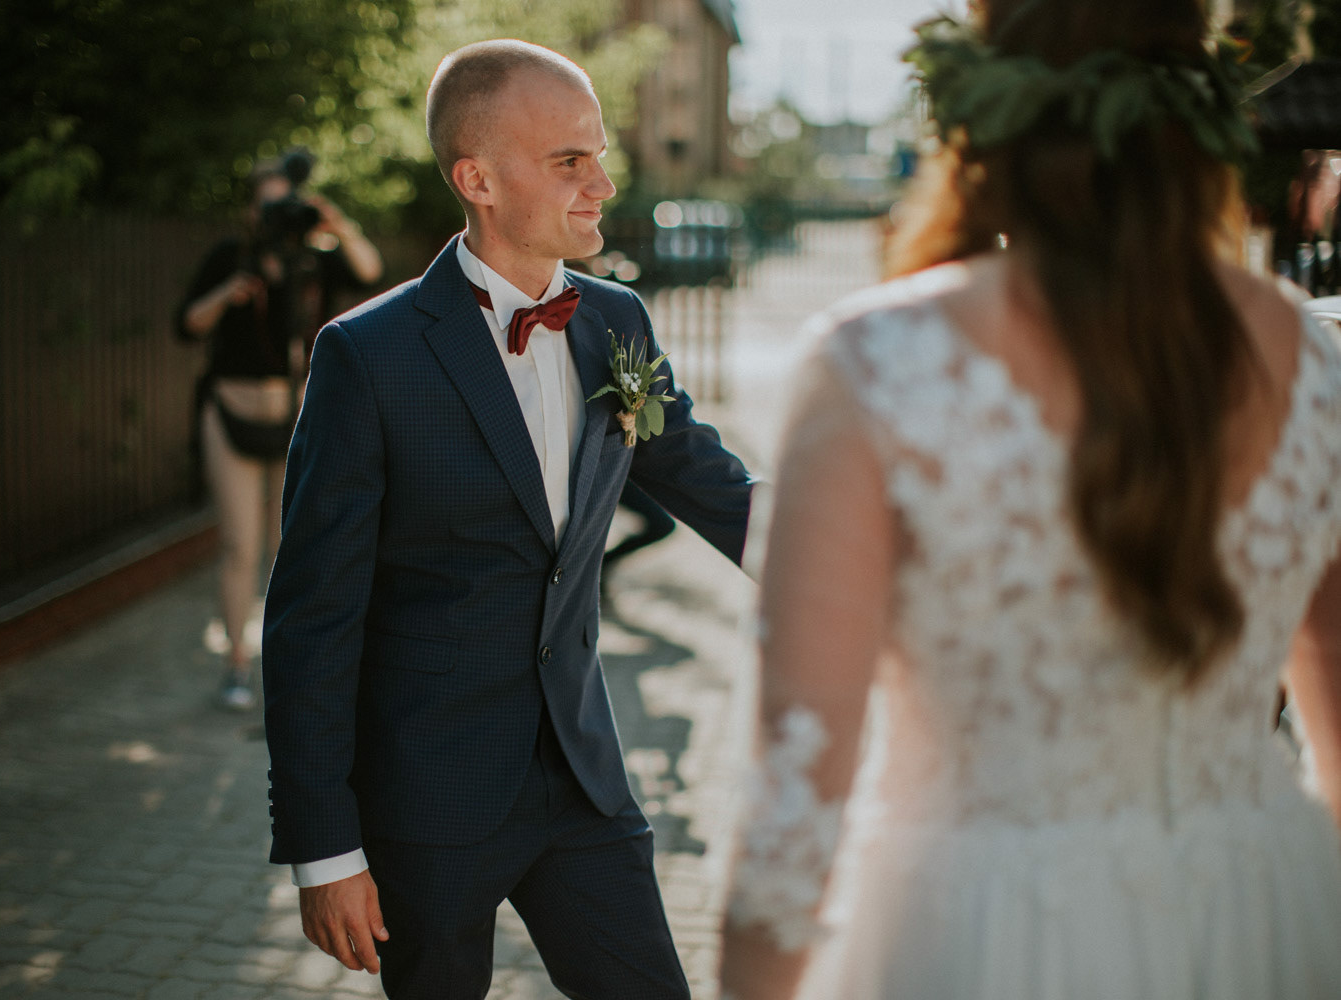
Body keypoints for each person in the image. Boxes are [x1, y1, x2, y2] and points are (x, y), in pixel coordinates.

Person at [719, 2, 1341, 998]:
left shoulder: (879, 361)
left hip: (983, 928)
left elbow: (800, 787)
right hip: (1261, 913)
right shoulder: (1310, 359)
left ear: (985, 90)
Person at [262, 40, 758, 999]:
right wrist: (324, 849)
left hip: (582, 779)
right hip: (427, 796)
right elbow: (312, 619)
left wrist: (870, 558)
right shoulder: (368, 356)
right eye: (569, 161)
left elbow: (709, 481)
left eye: (599, 155)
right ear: (477, 180)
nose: (601, 185)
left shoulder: (615, 322)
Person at [177, 152, 383, 710]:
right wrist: (230, 292)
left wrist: (337, 224)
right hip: (232, 413)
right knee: (239, 544)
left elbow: (370, 271)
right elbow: (187, 324)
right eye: (266, 204)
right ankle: (236, 665)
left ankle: (287, 661)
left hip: (298, 416)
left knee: (289, 544)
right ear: (250, 209)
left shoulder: (315, 259)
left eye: (284, 204)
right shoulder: (231, 257)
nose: (275, 215)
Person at [601, 480, 677, 597]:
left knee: (663, 525)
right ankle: (593, 568)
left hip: (624, 477)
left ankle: (600, 564)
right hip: (606, 476)